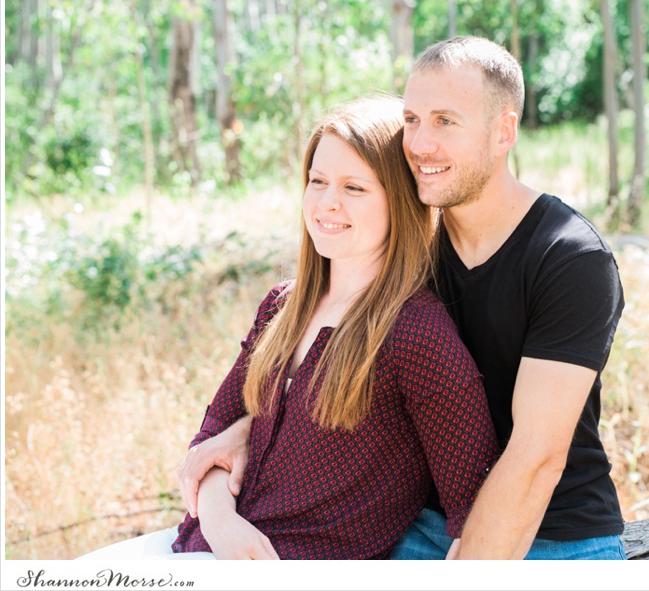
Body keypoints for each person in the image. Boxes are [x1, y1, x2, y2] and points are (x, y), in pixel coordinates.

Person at [180, 36, 626, 561]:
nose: (419, 143)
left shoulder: (568, 258)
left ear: (504, 130)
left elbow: (536, 459)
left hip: (550, 532)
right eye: (411, 120)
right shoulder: (409, 257)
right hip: (420, 524)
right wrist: (245, 431)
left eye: (445, 121)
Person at [79, 95, 498, 560]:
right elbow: (213, 432)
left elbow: (477, 506)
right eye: (317, 181)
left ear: (399, 200)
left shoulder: (415, 334)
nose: (326, 203)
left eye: (354, 188)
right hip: (205, 545)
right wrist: (220, 521)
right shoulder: (283, 305)